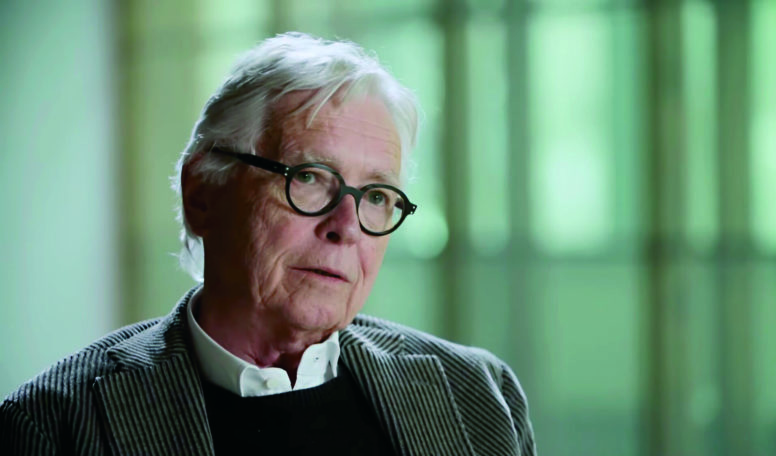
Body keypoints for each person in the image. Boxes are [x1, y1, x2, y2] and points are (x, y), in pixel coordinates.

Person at [1, 32, 536, 455]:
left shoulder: (478, 392)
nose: (347, 226)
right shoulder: (52, 423)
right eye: (310, 177)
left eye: (376, 195)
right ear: (202, 193)